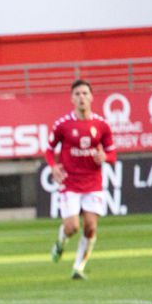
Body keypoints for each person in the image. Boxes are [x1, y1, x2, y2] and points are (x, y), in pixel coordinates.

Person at [44, 79, 116, 280]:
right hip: (70, 183)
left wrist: (105, 158)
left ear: (92, 97)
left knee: (90, 226)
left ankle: (78, 267)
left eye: (85, 93)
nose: (81, 97)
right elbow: (49, 150)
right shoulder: (62, 125)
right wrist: (53, 166)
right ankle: (60, 242)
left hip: (93, 183)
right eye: (77, 94)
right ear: (71, 99)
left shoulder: (102, 125)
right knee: (72, 227)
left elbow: (112, 154)